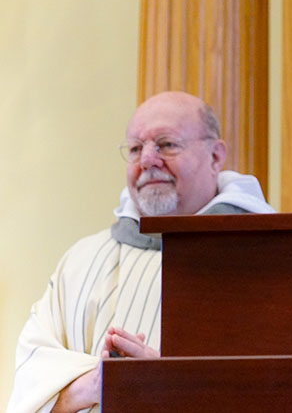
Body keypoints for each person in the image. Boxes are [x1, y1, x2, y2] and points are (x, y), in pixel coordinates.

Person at [7, 91, 275, 413]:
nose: (148, 160)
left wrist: (169, 383)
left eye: (167, 144)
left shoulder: (272, 259)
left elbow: (289, 388)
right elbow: (28, 382)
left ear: (216, 157)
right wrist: (95, 384)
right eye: (135, 149)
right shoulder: (80, 262)